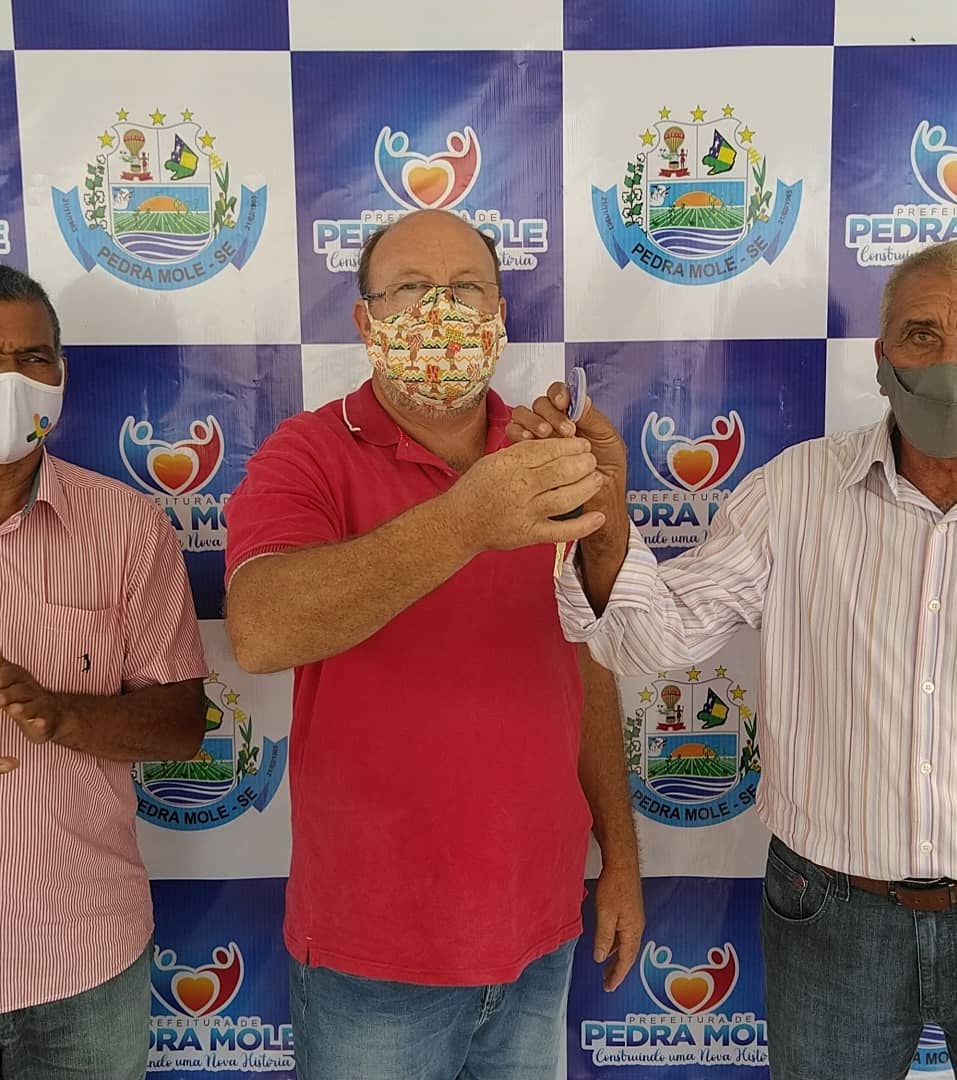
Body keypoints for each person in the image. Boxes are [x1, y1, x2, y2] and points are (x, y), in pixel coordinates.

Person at [510, 239, 957, 1080]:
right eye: (921, 335)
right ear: (881, 360)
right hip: (832, 918)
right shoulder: (793, 492)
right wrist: (606, 519)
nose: (950, 367)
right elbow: (648, 639)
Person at [223, 210, 644, 1080]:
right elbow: (260, 632)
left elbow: (584, 664)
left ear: (500, 313)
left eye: (465, 289)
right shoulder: (308, 454)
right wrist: (467, 520)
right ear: (365, 319)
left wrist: (622, 858)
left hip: (538, 931)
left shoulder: (546, 457)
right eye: (411, 290)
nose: (439, 312)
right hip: (374, 954)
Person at [0, 266, 208, 1079]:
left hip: (83, 958)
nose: (11, 381)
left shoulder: (125, 526)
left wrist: (63, 714)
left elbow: (182, 725)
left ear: (59, 375)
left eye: (32, 359)